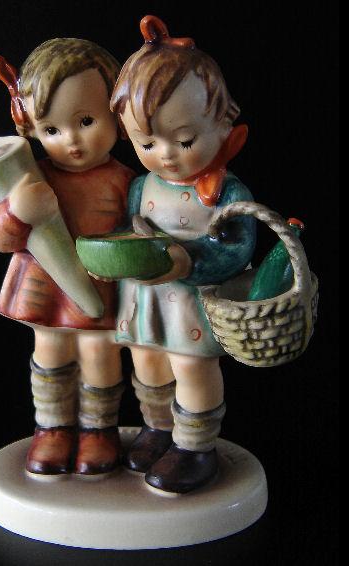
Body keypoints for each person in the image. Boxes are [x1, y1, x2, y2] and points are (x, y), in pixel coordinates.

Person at [109, 16, 257, 493]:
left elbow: (236, 247)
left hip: (192, 304)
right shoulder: (141, 186)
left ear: (223, 125)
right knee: (146, 363)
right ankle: (157, 429)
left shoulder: (226, 192)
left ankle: (195, 446)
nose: (166, 154)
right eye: (147, 142)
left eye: (185, 139)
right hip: (146, 301)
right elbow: (131, 228)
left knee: (191, 367)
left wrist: (190, 260)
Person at [0, 38, 135, 477]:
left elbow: (142, 229)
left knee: (100, 353)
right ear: (30, 127)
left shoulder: (126, 181)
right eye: (51, 130)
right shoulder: (29, 179)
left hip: (101, 286)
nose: (71, 140)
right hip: (44, 286)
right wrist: (15, 212)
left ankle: (99, 429)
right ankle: (52, 427)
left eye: (86, 121)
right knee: (51, 349)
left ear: (116, 114)